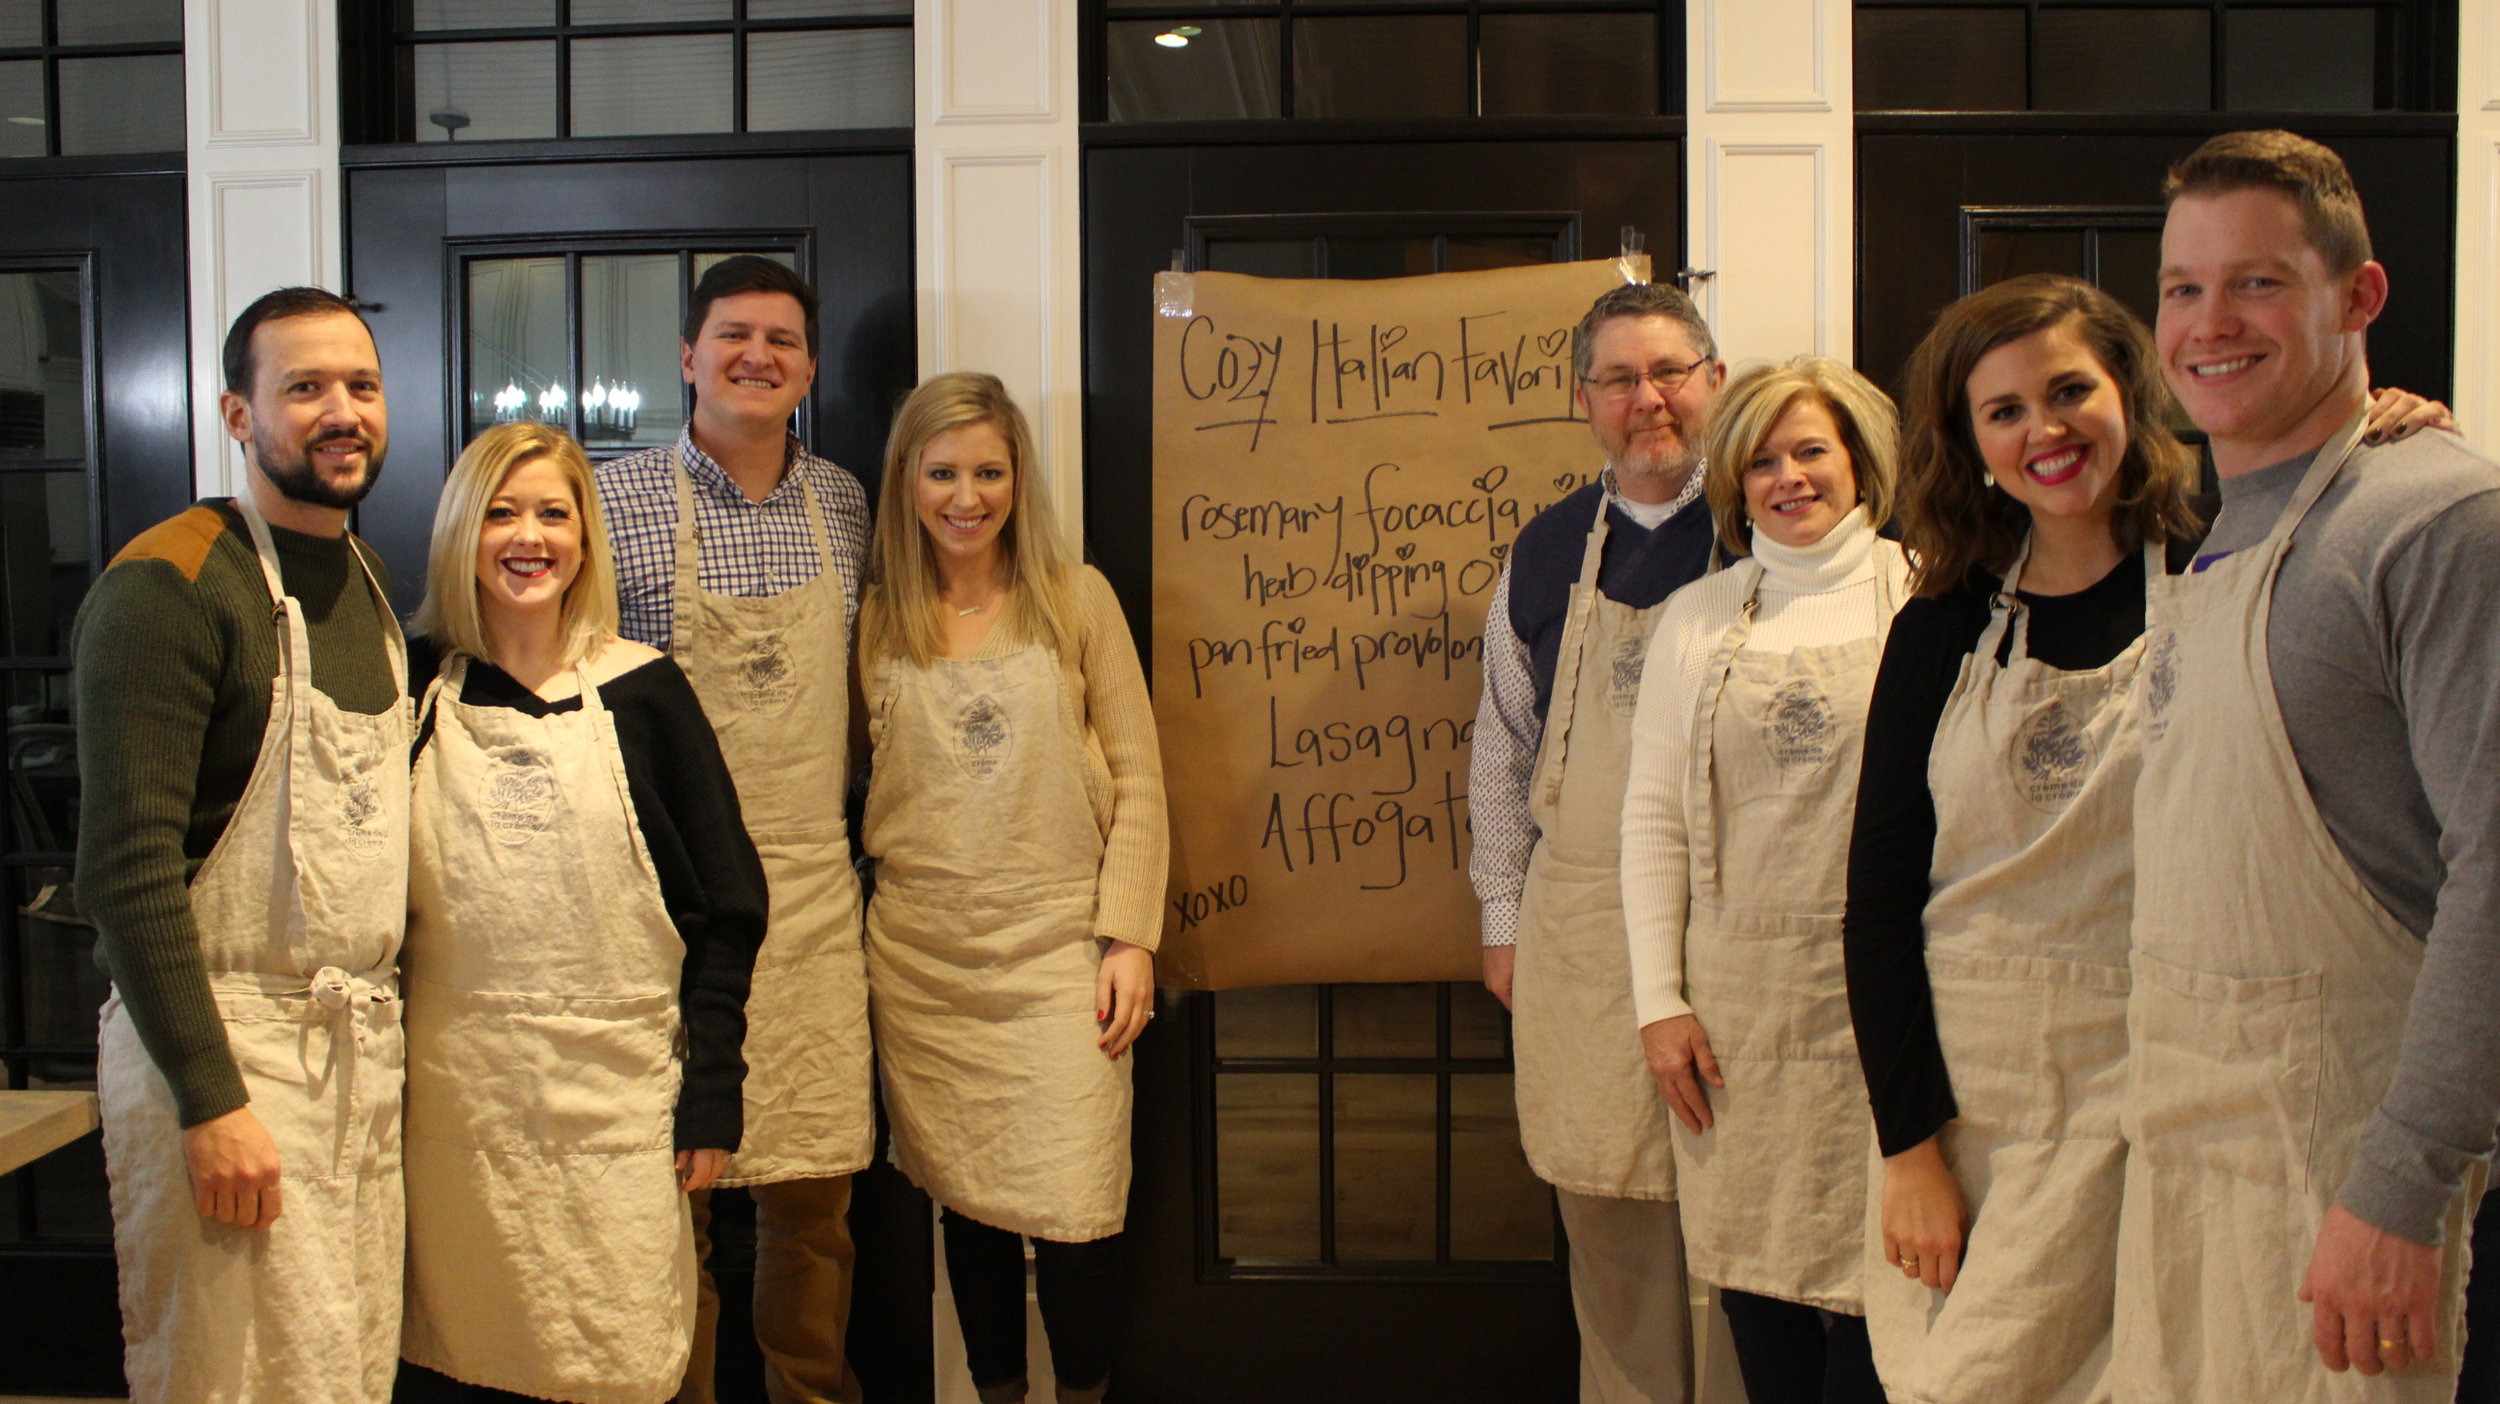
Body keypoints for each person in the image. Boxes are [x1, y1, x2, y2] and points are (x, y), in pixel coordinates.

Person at [2115, 128, 2500, 1399]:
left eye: (2259, 282)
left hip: (2349, 1179)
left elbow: (2495, 872)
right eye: (2182, 288)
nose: (2209, 323)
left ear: (2361, 296)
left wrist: (2402, 1186)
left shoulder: (2434, 520)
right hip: (2197, 1157)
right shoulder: (2220, 526)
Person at [76, 287, 409, 1402]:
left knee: (341, 1370)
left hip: (348, 1059)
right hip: (225, 1057)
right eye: (303, 387)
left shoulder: (362, 580)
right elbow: (126, 873)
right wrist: (210, 1100)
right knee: (231, 1380)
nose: (340, 411)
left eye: (359, 386)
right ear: (237, 412)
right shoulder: (168, 586)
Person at [393, 423, 768, 1403]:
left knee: (620, 1357)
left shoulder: (643, 694)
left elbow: (727, 911)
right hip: (449, 1117)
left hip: (615, 1113)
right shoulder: (411, 687)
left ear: (586, 540)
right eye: (502, 513)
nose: (530, 537)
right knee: (458, 1361)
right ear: (461, 532)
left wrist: (714, 1088)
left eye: (554, 514)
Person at [855, 372, 1166, 1404]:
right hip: (923, 965)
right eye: (942, 471)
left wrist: (1127, 939)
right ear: (907, 480)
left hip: (1056, 957)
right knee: (969, 1210)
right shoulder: (876, 619)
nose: (965, 496)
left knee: (1077, 1217)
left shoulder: (1077, 598)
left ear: (1018, 477)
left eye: (988, 471)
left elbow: (1139, 781)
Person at [595, 255, 875, 1404]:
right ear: (687, 355)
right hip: (669, 899)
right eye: (732, 335)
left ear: (808, 367)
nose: (757, 356)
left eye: (782, 340)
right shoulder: (611, 502)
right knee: (678, 1203)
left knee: (815, 1211)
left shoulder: (848, 503)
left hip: (813, 896)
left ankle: (809, 1393)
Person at [1618, 356, 1906, 1404]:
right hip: (1736, 1020)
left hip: (1887, 1009)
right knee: (1762, 1300)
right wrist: (1660, 1004)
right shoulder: (1694, 621)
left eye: (1810, 451)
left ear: (1859, 459)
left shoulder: (1925, 597)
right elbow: (1650, 821)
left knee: (1891, 1306)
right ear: (1735, 482)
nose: (1787, 477)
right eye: (1761, 461)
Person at [1469, 279, 1727, 1403]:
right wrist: (1499, 919)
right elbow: (1499, 750)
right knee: (1608, 1218)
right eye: (1620, 379)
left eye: (1669, 372)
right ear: (1585, 400)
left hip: (1726, 921)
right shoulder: (1542, 551)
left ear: (1714, 382)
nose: (1648, 400)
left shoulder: (1772, 523)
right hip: (1574, 925)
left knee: (1737, 1220)